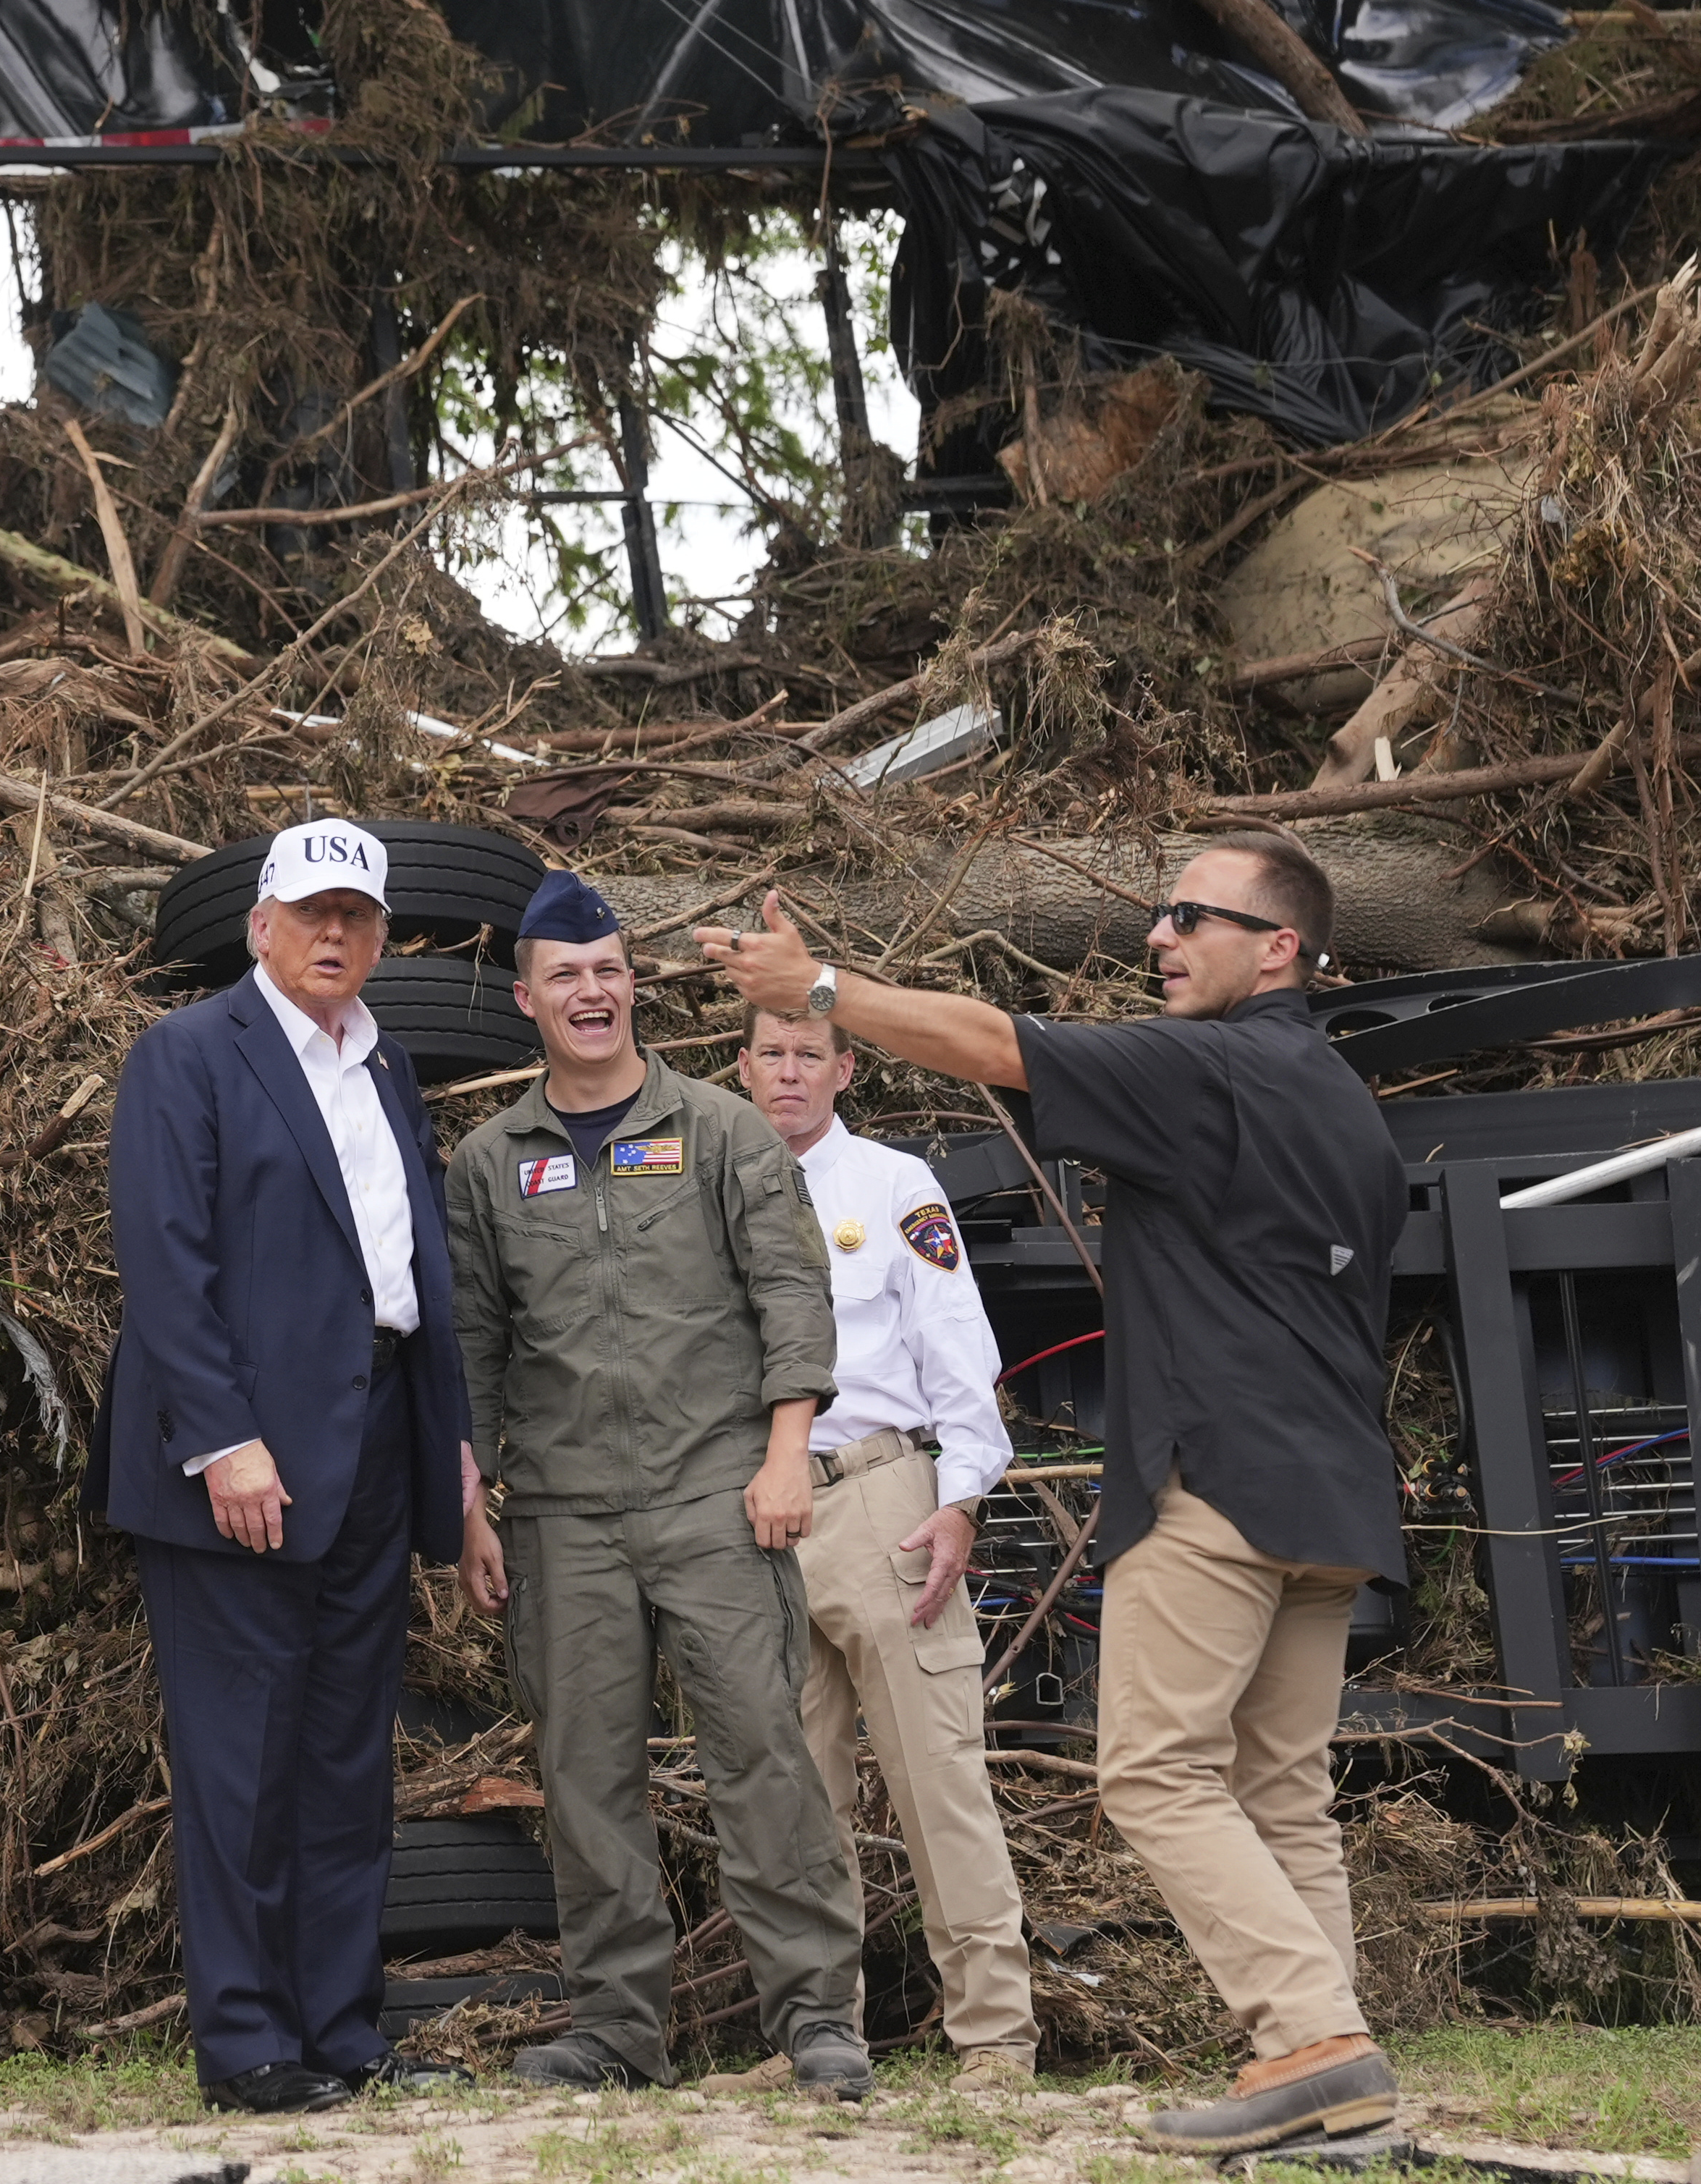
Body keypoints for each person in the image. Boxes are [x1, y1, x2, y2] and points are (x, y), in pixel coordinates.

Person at [695, 831, 1406, 2153]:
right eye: (1160, 913)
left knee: (1154, 1772)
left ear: (1281, 948)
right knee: (1279, 1787)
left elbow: (995, 1042)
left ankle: (1315, 2039)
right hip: (1340, 1492)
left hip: (1221, 1488)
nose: (1159, 936)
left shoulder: (1216, 1063)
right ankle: (1333, 2068)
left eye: (1192, 916)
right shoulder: (1345, 1101)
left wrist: (824, 987)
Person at [442, 869, 871, 2097]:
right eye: (568, 975)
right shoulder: (490, 1159)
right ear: (528, 999)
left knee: (763, 1760)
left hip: (717, 1498)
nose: (595, 991)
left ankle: (816, 2018)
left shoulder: (722, 1131)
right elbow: (474, 1346)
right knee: (585, 1773)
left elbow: (794, 1294)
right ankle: (617, 2026)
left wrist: (788, 1451)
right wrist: (471, 1507)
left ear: (635, 987)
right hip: (564, 1518)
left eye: (612, 970)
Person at [93, 818, 478, 2115]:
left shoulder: (385, 1065)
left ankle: (341, 2028)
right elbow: (166, 1263)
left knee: (343, 1757)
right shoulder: (189, 1053)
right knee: (240, 1760)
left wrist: (453, 1454)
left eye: (358, 917)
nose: (336, 935)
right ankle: (249, 2039)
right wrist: (224, 1439)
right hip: (241, 1459)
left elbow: (415, 1271)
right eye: (312, 911)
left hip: (373, 1436)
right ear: (260, 923)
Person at [739, 1004, 1039, 2091]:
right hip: (761, 1512)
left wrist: (960, 1497)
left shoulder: (893, 1182)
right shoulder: (711, 1175)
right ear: (741, 1063)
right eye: (769, 1053)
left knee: (936, 1775)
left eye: (808, 1053)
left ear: (844, 1065)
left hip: (879, 1492)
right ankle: (818, 2039)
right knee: (795, 1798)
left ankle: (996, 2035)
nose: (787, 1072)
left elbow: (957, 1338)